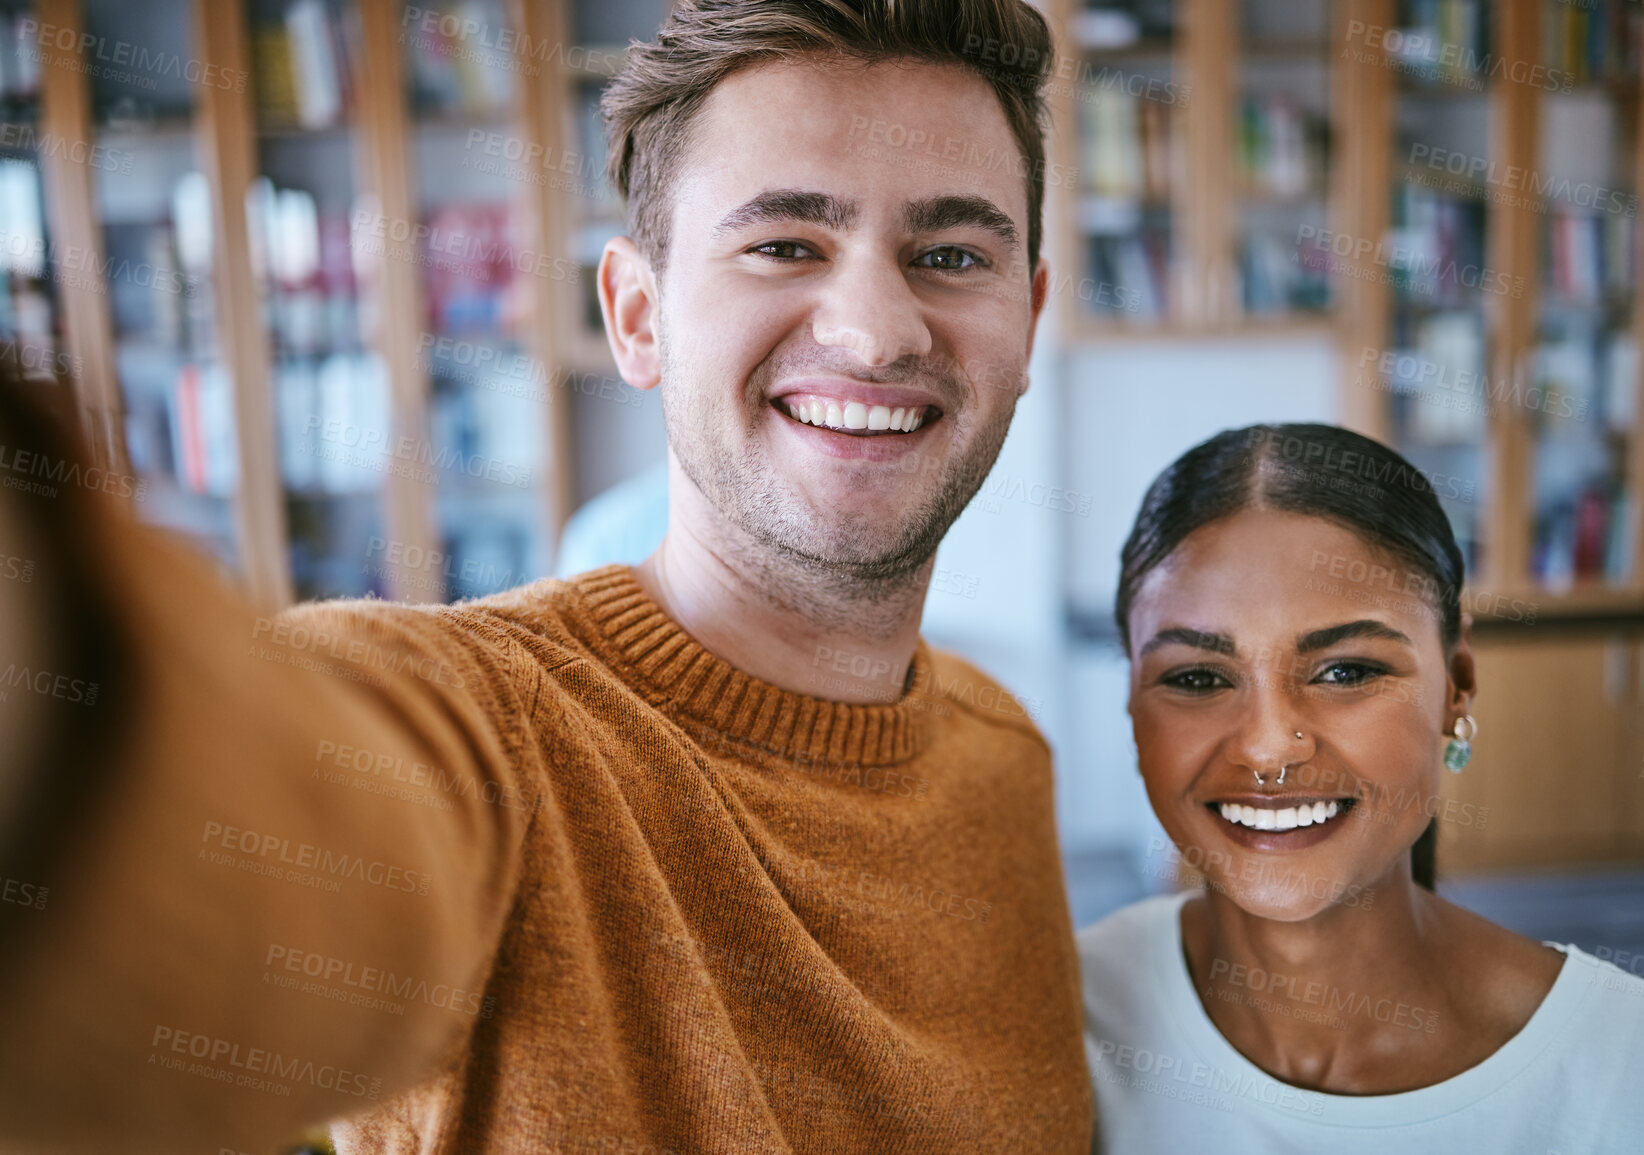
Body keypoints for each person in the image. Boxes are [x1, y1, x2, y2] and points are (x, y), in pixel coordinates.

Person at [0, 2, 1093, 1152]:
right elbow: (188, 878)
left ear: (1025, 318)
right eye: (784, 244)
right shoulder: (484, 733)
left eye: (952, 256)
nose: (877, 333)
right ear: (636, 316)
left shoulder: (1002, 753)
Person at [1079, 422, 1644, 1152]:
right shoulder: (1059, 1020)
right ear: (1134, 708)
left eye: (1345, 671)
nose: (1266, 745)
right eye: (1196, 678)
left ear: (1456, 685)